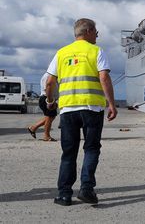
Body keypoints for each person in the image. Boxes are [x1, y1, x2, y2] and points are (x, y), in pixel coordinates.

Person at [47, 18, 117, 206]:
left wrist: (50, 100)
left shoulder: (61, 53)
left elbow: (49, 82)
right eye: (96, 32)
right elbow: (104, 77)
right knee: (91, 148)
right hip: (91, 108)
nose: (97, 35)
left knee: (68, 152)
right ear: (89, 31)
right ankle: (86, 189)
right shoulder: (96, 51)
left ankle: (64, 195)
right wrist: (112, 104)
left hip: (68, 109)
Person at [27, 73, 59, 141]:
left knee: (51, 116)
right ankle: (46, 135)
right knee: (49, 116)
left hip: (49, 98)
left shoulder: (53, 76)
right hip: (46, 98)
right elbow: (47, 87)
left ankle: (33, 128)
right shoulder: (48, 76)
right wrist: (50, 101)